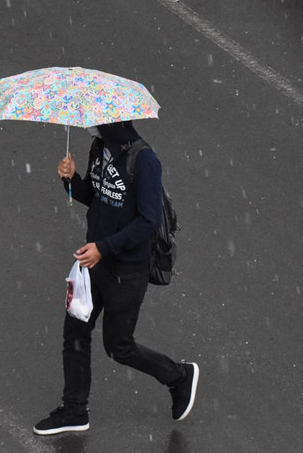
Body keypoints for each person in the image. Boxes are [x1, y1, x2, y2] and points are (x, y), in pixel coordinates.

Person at [33, 121, 199, 435]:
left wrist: (104, 248)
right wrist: (70, 181)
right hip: (93, 261)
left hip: (125, 270)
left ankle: (179, 376)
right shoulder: (99, 148)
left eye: (96, 123)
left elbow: (147, 222)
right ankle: (74, 410)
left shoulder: (144, 160)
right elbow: (95, 198)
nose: (90, 128)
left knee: (119, 346)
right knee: (75, 333)